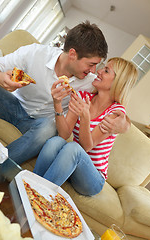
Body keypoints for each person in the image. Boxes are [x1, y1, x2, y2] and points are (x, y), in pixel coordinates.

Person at [0, 21, 130, 166]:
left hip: (37, 124)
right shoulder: (34, 53)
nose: (93, 71)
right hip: (10, 105)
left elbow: (115, 98)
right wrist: (2, 79)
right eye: (91, 64)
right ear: (72, 54)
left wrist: (124, 124)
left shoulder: (89, 82)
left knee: (49, 128)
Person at [33, 57, 138, 196]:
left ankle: (38, 195)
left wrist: (85, 117)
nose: (99, 71)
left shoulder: (116, 113)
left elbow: (86, 146)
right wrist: (57, 104)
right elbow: (64, 134)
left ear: (118, 82)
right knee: (55, 141)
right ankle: (29, 185)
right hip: (72, 165)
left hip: (92, 178)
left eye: (106, 71)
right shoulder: (83, 96)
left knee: (73, 148)